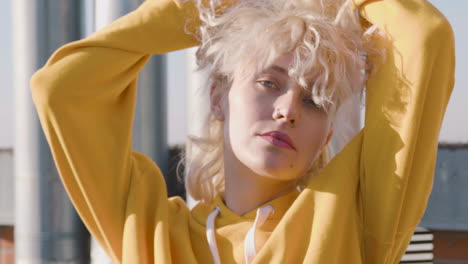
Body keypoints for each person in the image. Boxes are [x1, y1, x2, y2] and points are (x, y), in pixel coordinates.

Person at [30, 0, 455, 263]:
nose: (288, 110)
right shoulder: (151, 231)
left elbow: (424, 39)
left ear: (326, 138)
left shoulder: (353, 216)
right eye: (269, 83)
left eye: (315, 100)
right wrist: (204, 6)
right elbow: (63, 87)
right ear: (218, 98)